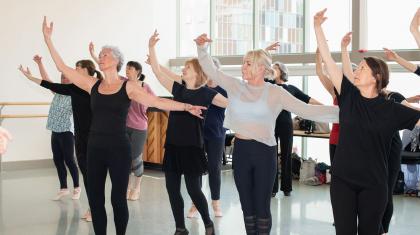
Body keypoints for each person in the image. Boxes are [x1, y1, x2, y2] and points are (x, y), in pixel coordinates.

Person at [41, 17, 206, 235]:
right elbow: (62, 67)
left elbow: (157, 102)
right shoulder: (93, 84)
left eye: (104, 54)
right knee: (96, 199)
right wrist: (48, 39)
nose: (100, 57)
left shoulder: (129, 87)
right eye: (99, 55)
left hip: (119, 148)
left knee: (118, 200)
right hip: (95, 148)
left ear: (116, 59)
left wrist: (186, 106)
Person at [195, 33, 339, 235]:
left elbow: (305, 110)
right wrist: (202, 49)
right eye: (243, 63)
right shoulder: (236, 86)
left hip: (264, 154)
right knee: (247, 207)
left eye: (247, 64)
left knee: (262, 208)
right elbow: (211, 70)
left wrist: (342, 113)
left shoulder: (275, 92)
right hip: (241, 152)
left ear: (261, 68)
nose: (242, 67)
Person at [314, 8, 420, 234]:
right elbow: (328, 60)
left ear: (377, 77)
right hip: (342, 181)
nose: (356, 71)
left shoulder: (392, 109)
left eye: (362, 68)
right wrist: (317, 28)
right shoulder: (349, 96)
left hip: (374, 185)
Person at [148, 30, 228, 235]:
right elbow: (157, 71)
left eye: (187, 68)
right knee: (172, 190)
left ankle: (208, 223)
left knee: (194, 189)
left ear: (197, 72)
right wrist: (152, 47)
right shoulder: (179, 90)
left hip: (193, 147)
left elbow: (231, 104)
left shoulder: (208, 93)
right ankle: (180, 227)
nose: (183, 70)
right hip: (173, 146)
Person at [19, 57, 100, 222]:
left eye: (78, 69)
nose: (74, 72)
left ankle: (95, 208)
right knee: (87, 174)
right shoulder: (72, 89)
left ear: (87, 71)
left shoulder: (95, 87)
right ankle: (92, 206)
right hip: (80, 138)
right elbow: (49, 83)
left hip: (95, 137)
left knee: (93, 175)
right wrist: (30, 77)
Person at [19, 56, 80, 201]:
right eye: (62, 77)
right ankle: (63, 188)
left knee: (69, 160)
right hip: (55, 130)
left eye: (66, 77)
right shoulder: (58, 91)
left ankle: (77, 187)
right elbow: (46, 81)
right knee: (57, 159)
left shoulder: (74, 95)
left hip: (67, 131)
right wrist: (40, 63)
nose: (64, 79)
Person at [269, 61, 322, 197]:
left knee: (286, 156)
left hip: (286, 124)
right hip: (270, 124)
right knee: (272, 156)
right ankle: (273, 189)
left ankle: (287, 188)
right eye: (272, 68)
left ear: (282, 71)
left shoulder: (290, 88)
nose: (273, 69)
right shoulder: (268, 86)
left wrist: (324, 107)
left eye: (276, 68)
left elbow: (307, 99)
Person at [124, 61, 155, 201]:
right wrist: (95, 56)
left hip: (139, 127)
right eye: (126, 68)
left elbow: (155, 100)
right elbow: (108, 74)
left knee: (135, 158)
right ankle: (127, 187)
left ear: (137, 71)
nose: (126, 71)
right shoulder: (123, 83)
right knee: (124, 158)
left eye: (129, 68)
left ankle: (137, 187)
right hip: (124, 127)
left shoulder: (145, 87)